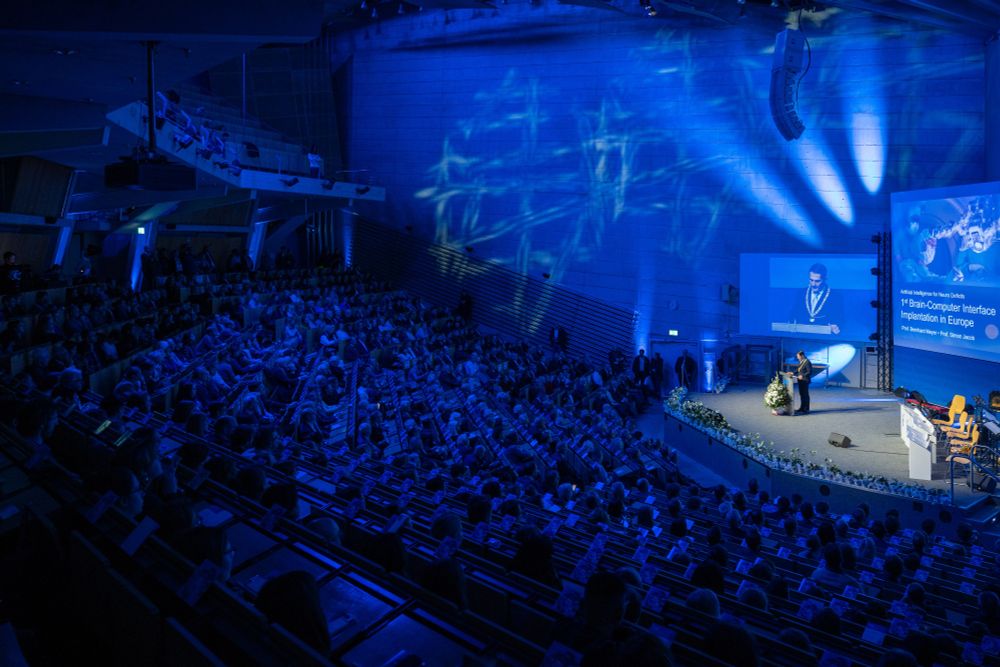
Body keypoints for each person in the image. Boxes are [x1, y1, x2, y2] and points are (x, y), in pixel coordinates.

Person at [788, 263, 842, 334]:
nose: (813, 284)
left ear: (824, 279)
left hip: (823, 338)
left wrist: (835, 326)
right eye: (811, 280)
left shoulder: (835, 297)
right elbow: (793, 314)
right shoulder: (801, 293)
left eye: (817, 281)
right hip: (802, 336)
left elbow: (839, 320)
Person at [793, 350, 812, 414]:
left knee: (805, 395)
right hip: (801, 380)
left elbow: (809, 372)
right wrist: (792, 373)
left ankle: (806, 409)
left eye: (798, 356)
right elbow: (798, 370)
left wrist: (802, 375)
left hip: (805, 380)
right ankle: (802, 408)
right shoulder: (802, 361)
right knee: (802, 395)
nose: (797, 358)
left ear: (802, 355)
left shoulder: (807, 362)